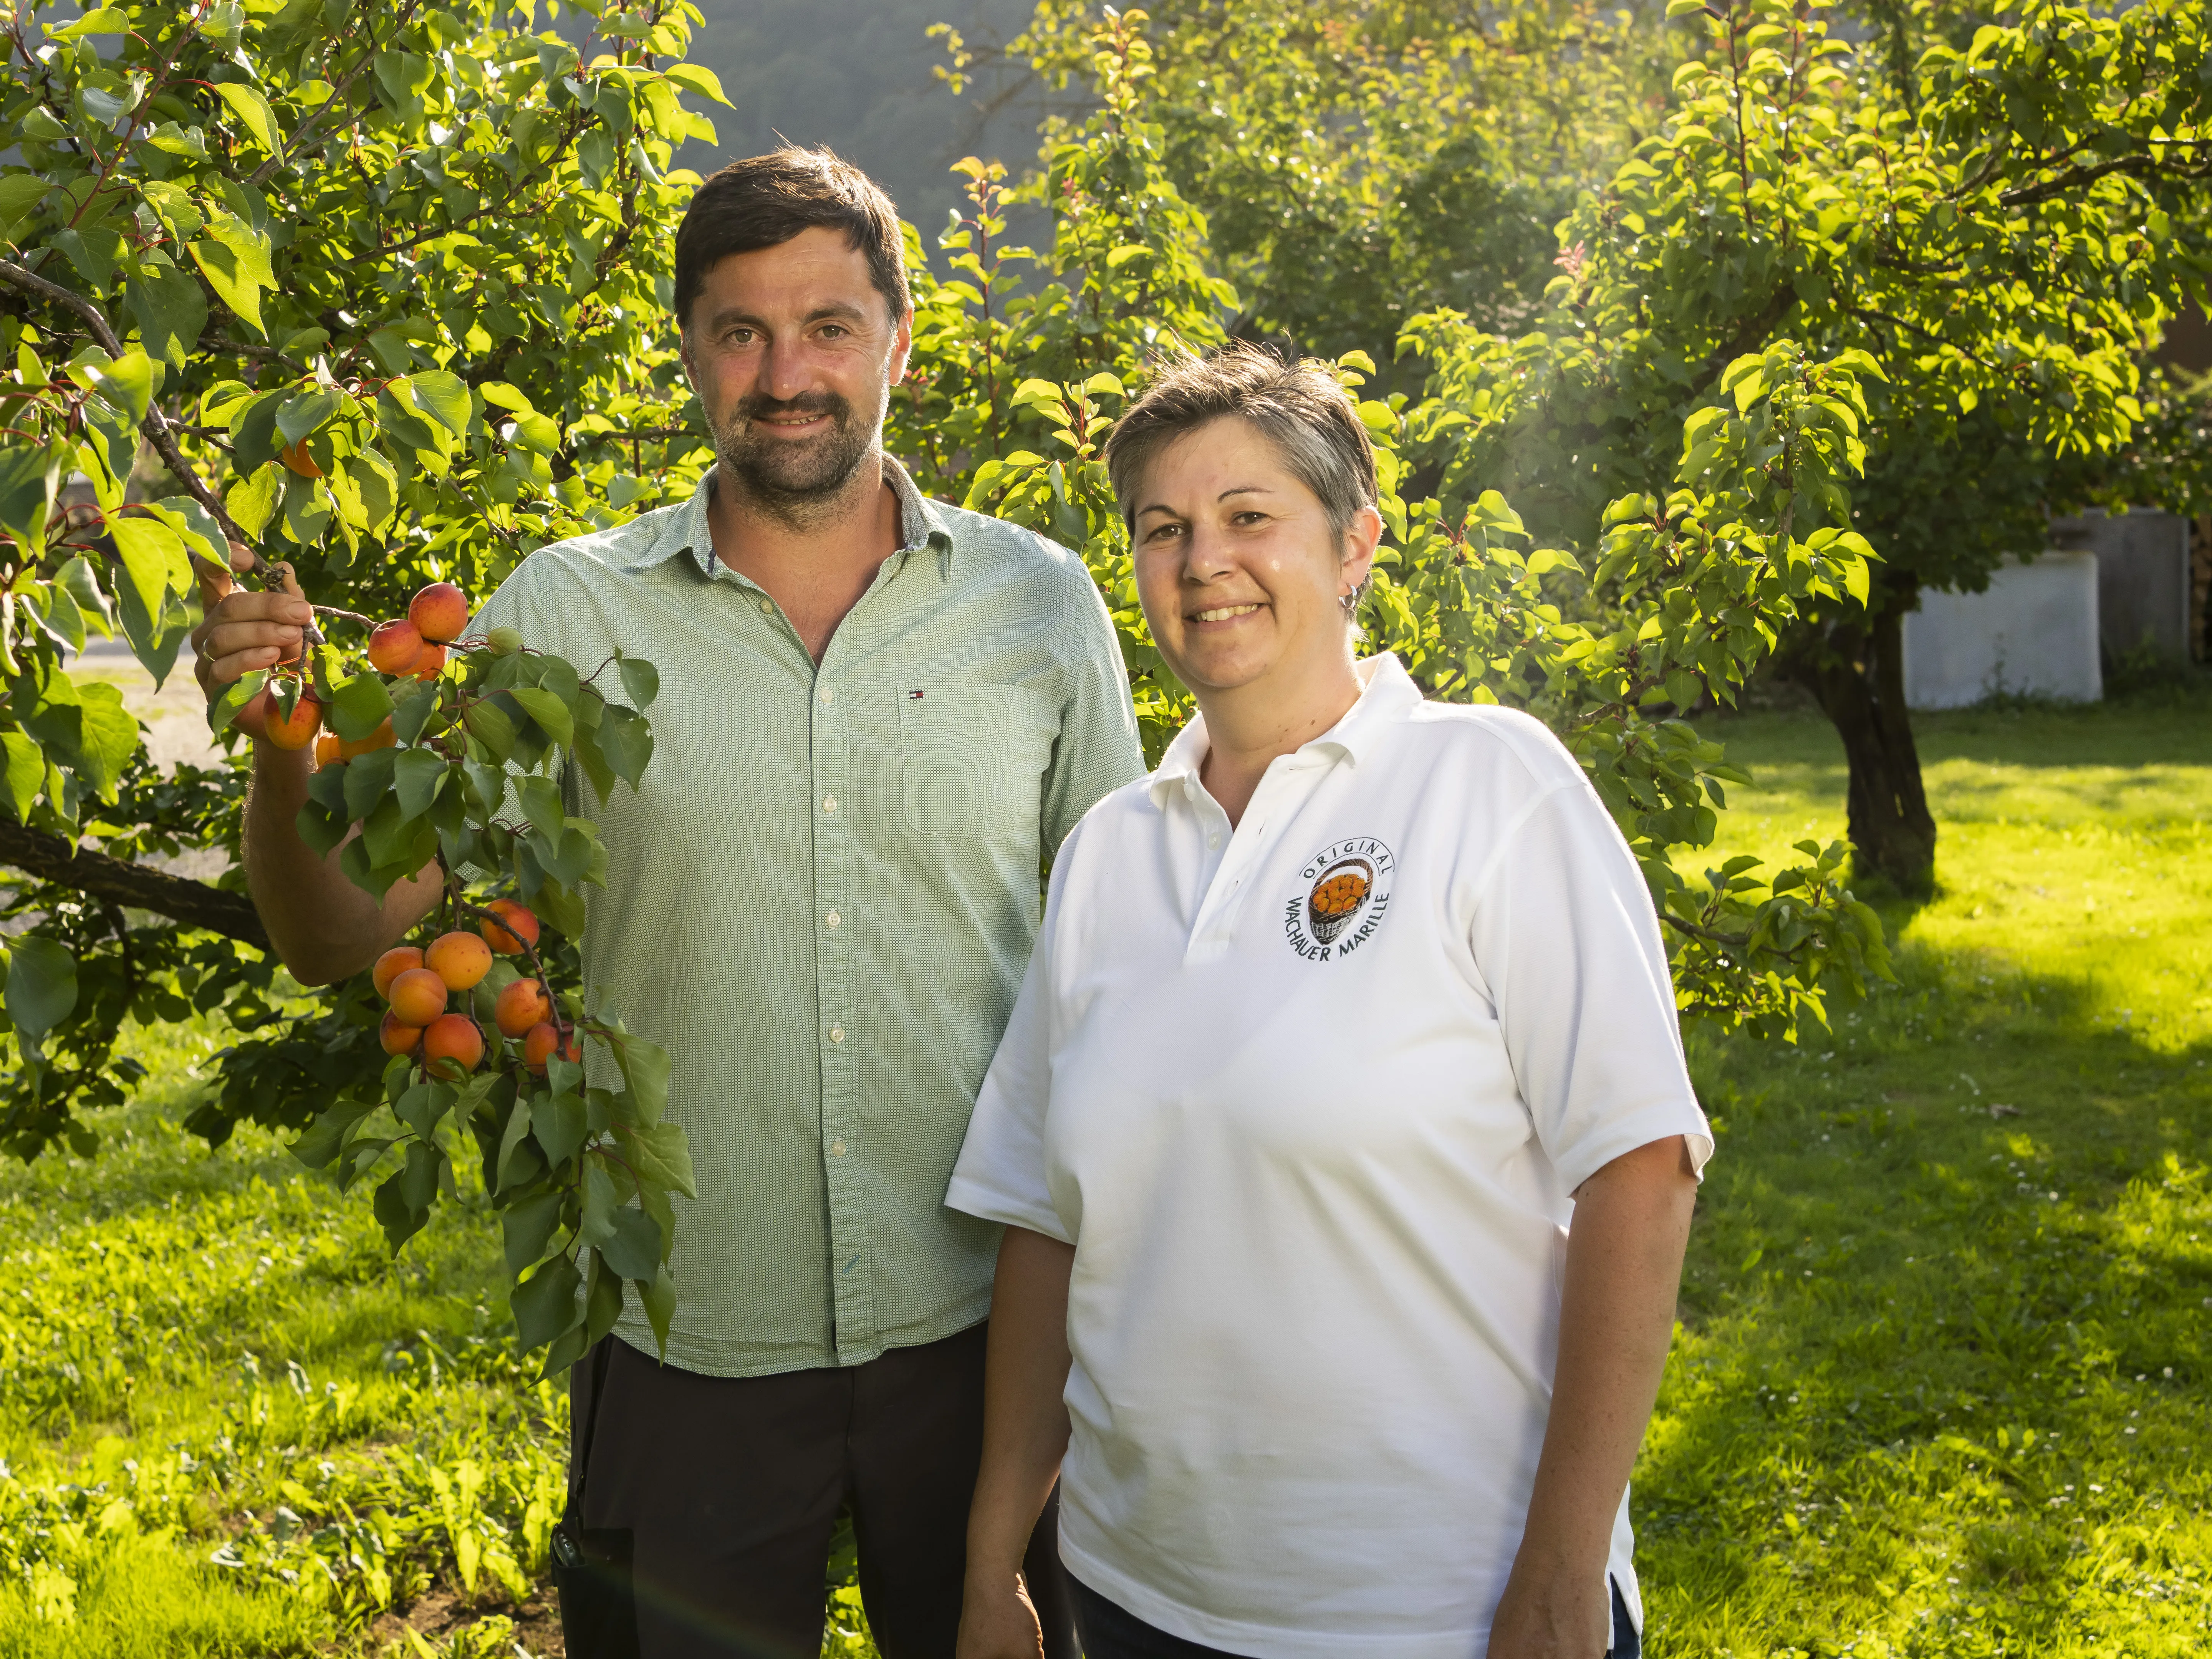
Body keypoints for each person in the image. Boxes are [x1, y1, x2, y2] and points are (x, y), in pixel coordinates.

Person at [192, 148, 1146, 1658]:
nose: (787, 374)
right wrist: (287, 759)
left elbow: (1125, 969)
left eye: (829, 327)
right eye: (741, 332)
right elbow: (352, 933)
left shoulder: (1037, 605)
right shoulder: (572, 613)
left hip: (993, 1333)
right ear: (691, 352)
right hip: (688, 1329)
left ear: (899, 341)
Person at [948, 343, 1710, 1659]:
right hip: (1133, 1594)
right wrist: (991, 1563)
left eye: (1252, 518)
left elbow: (1641, 1171)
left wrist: (1562, 1567)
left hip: (1436, 1609)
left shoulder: (1487, 786)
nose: (1204, 563)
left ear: (1356, 544)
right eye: (1164, 529)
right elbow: (1042, 1228)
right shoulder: (1113, 851)